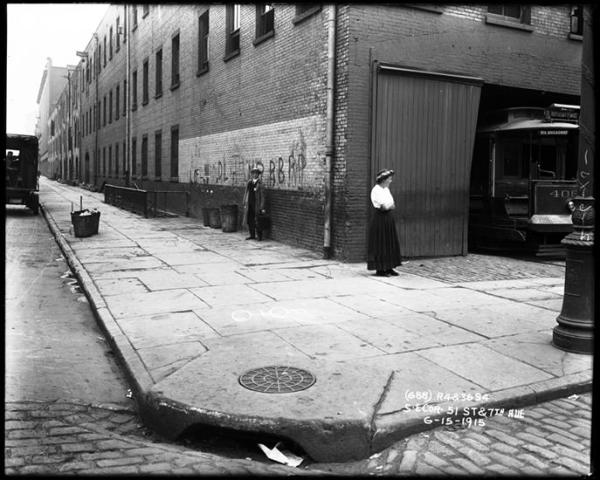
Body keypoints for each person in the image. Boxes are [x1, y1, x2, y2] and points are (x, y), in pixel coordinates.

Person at [367, 168, 402, 276]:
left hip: (388, 218)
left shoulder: (386, 190)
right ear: (383, 180)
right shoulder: (376, 190)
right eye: (389, 179)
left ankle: (390, 267)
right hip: (380, 219)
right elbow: (383, 207)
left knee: (389, 242)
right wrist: (388, 206)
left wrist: (388, 206)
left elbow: (392, 204)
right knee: (381, 242)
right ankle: (380, 269)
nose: (390, 181)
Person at [243, 166, 266, 240]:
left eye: (256, 173)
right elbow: (246, 192)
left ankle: (259, 236)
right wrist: (244, 201)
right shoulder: (249, 182)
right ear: (252, 174)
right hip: (249, 204)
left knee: (258, 221)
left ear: (258, 175)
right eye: (253, 173)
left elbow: (263, 196)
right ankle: (252, 235)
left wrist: (262, 207)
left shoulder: (260, 183)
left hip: (256, 205)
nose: (254, 175)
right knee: (250, 220)